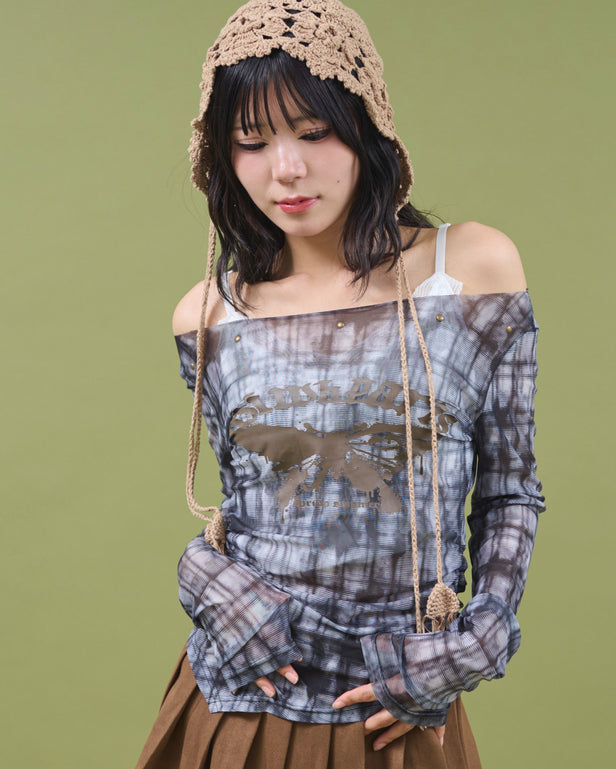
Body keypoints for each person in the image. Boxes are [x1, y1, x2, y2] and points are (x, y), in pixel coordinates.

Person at [136, 1, 545, 767]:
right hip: (234, 705)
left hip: (394, 709)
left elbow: (509, 491)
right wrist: (203, 577)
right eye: (250, 141)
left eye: (313, 131)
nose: (285, 169)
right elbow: (242, 506)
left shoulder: (469, 271)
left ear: (366, 125)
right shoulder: (209, 313)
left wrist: (478, 639)